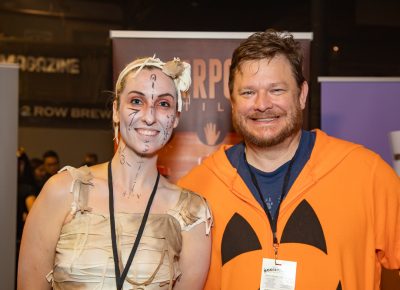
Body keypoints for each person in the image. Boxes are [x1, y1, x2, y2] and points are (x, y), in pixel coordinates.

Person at [178, 29, 400, 290]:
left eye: (277, 90)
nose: (262, 104)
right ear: (232, 100)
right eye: (248, 92)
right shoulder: (194, 192)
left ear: (302, 94)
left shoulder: (367, 174)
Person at [18, 56, 212, 290]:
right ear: (116, 111)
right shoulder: (64, 192)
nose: (149, 117)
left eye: (163, 104)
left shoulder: (192, 215)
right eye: (136, 101)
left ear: (175, 119)